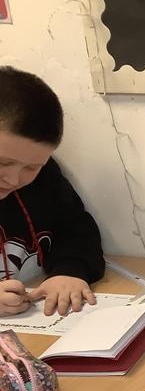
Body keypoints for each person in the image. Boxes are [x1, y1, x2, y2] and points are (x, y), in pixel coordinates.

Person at [0, 66, 105, 316]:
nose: (14, 179)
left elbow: (76, 229)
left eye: (32, 167)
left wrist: (69, 271)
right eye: (3, 162)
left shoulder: (44, 179)